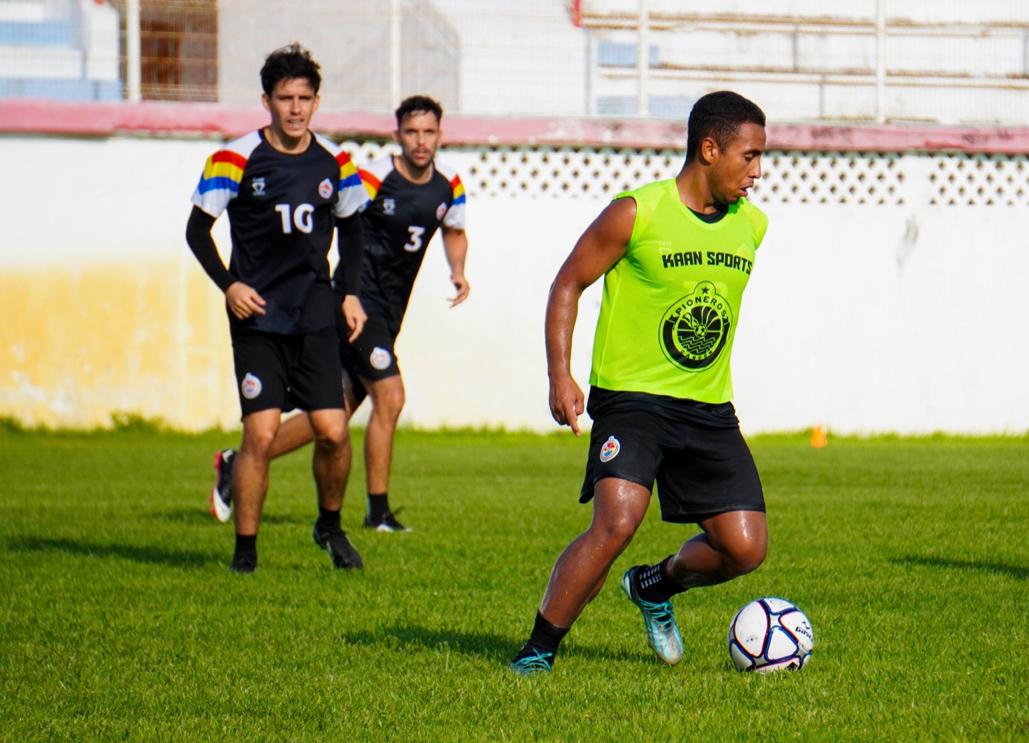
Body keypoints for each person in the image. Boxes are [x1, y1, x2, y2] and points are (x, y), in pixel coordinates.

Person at [509, 91, 771, 674]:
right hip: (633, 401)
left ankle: (655, 586)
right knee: (616, 522)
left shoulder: (751, 226)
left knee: (745, 547)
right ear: (710, 149)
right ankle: (537, 652)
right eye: (749, 156)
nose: (758, 172)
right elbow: (568, 284)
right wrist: (561, 374)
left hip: (707, 408)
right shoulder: (637, 211)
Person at [209, 95, 471, 534]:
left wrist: (458, 271)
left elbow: (455, 229)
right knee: (391, 396)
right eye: (412, 132)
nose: (421, 141)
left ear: (440, 135)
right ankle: (377, 513)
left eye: (429, 132)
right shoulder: (372, 180)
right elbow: (341, 224)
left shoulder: (449, 188)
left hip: (390, 312)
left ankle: (239, 463)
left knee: (332, 417)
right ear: (397, 136)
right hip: (356, 306)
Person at [186, 43, 370, 573]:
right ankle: (245, 552)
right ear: (266, 100)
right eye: (284, 98)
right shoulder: (234, 157)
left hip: (314, 315)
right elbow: (198, 230)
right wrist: (228, 285)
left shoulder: (337, 160)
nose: (295, 108)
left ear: (316, 101)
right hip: (258, 318)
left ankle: (329, 527)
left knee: (334, 432)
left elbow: (354, 227)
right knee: (261, 435)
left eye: (304, 98)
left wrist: (349, 291)